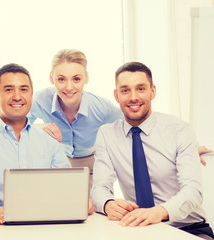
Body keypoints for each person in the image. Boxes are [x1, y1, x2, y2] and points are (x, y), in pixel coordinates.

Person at [91, 62, 214, 240]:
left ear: (152, 91)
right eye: (125, 90)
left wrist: (160, 212)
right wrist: (108, 204)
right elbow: (100, 188)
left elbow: (193, 191)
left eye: (140, 89)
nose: (133, 97)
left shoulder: (179, 130)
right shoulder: (106, 134)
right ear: (116, 95)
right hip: (140, 230)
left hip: (188, 228)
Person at [0, 63, 87, 225]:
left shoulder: (49, 142)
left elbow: (68, 190)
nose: (17, 96)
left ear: (32, 95)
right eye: (8, 89)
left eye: (23, 89)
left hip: (47, 226)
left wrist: (80, 201)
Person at [28, 49, 122, 188]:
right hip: (57, 163)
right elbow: (18, 126)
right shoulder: (42, 99)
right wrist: (39, 128)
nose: (69, 87)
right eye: (61, 79)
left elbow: (128, 124)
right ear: (51, 78)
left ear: (86, 78)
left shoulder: (102, 107)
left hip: (91, 166)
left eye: (76, 79)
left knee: (91, 207)